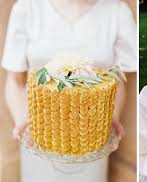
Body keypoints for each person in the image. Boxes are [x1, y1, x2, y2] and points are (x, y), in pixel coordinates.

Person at [1, 0, 137, 181]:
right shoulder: (27, 7)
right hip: (39, 137)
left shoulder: (117, 11)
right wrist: (23, 121)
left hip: (89, 137)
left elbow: (118, 81)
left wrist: (110, 117)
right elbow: (14, 81)